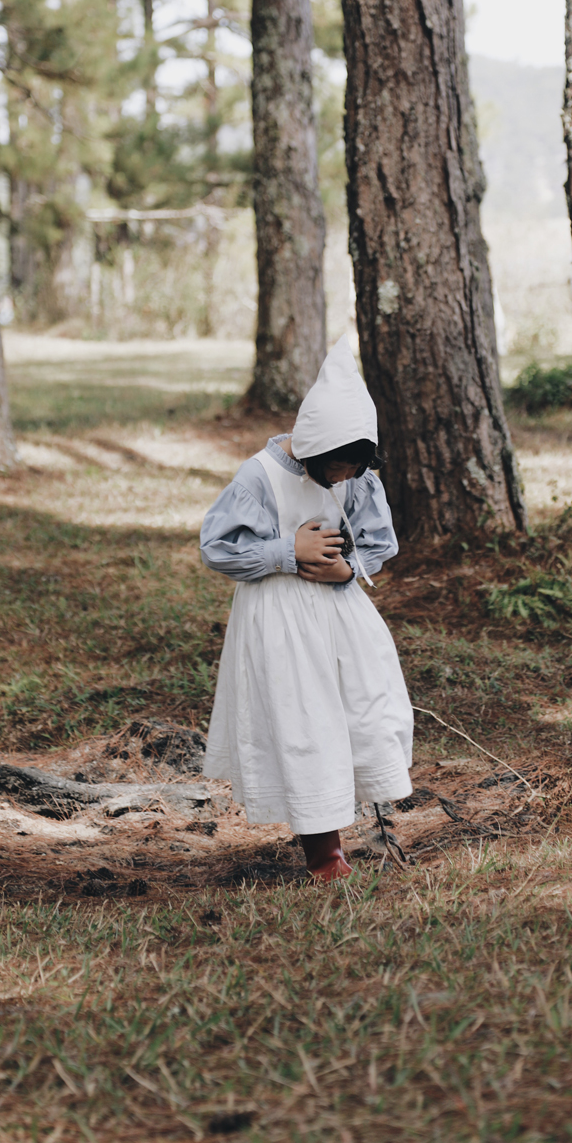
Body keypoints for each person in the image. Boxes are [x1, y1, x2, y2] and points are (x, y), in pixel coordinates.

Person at [199, 337, 414, 881]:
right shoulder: (260, 476)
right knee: (306, 724)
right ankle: (325, 851)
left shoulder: (360, 475)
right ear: (313, 449)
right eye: (335, 469)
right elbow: (217, 548)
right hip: (281, 621)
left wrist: (349, 569)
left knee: (365, 712)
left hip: (340, 615)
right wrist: (285, 552)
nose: (343, 480)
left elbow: (378, 544)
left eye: (352, 470)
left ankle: (376, 817)